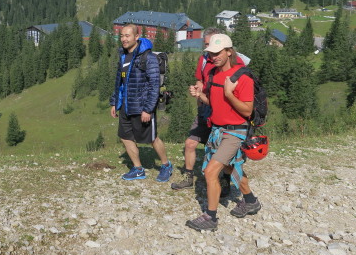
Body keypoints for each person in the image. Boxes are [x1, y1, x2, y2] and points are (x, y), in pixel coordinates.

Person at [185, 33, 261, 231]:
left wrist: (229, 92)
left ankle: (210, 217)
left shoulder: (242, 77)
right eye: (211, 53)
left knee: (211, 172)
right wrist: (200, 95)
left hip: (235, 131)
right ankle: (250, 200)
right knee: (228, 168)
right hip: (218, 130)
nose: (214, 56)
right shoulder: (213, 74)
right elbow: (215, 104)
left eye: (218, 52)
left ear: (229, 51)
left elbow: (247, 110)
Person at [170, 28, 250, 195]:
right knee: (190, 143)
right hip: (206, 109)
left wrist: (226, 94)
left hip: (226, 118)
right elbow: (201, 80)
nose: (211, 51)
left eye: (214, 46)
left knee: (225, 158)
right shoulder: (204, 60)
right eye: (207, 45)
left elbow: (240, 90)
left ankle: (230, 187)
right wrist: (199, 90)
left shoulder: (236, 66)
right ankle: (189, 178)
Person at [110, 24, 173, 182]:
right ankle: (138, 169)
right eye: (122, 36)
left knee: (152, 138)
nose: (124, 39)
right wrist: (115, 102)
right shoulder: (123, 56)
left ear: (136, 37)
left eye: (127, 36)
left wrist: (148, 109)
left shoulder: (148, 57)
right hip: (126, 105)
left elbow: (154, 85)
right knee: (125, 137)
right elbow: (120, 82)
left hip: (142, 107)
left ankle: (166, 165)